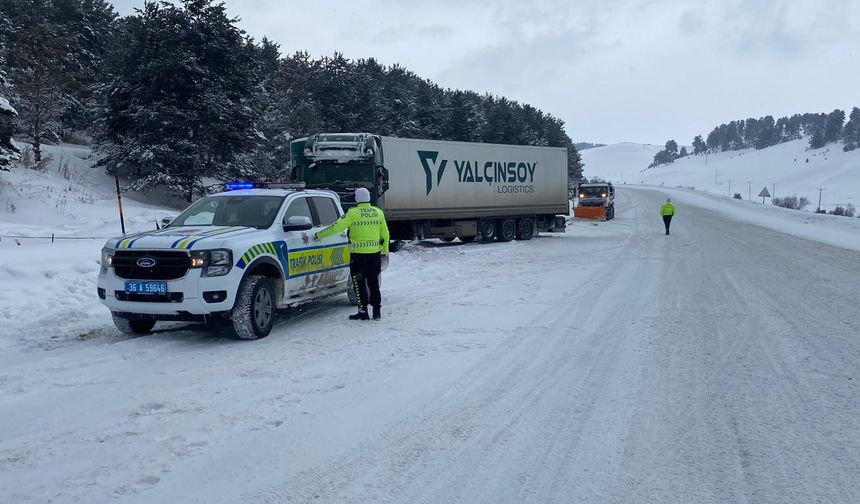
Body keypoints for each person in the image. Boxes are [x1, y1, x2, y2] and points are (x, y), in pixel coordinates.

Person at [315, 187, 389, 320]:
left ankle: (363, 312)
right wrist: (384, 251)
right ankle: (377, 312)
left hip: (358, 256)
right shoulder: (378, 212)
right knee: (373, 283)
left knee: (359, 283)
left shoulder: (352, 213)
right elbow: (385, 234)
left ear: (357, 198)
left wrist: (319, 234)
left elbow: (337, 226)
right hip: (374, 255)